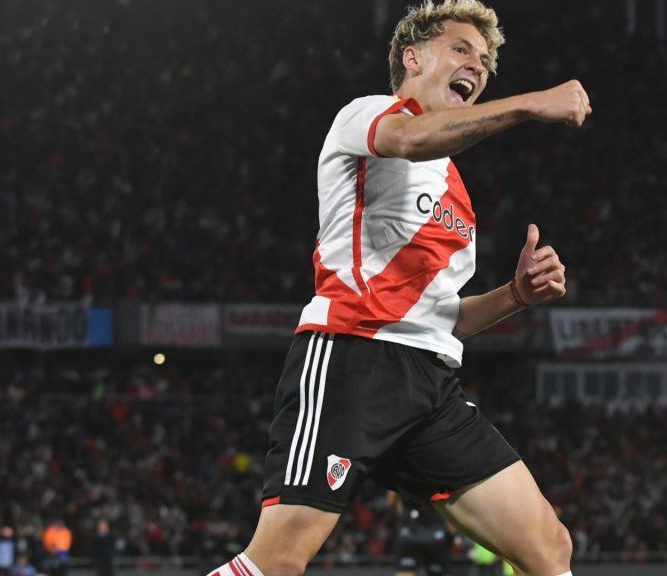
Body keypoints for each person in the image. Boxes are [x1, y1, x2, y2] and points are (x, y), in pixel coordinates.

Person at [206, 1, 590, 575]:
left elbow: (445, 316)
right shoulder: (368, 115)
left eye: (484, 61)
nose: (477, 66)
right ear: (412, 58)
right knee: (278, 561)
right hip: (353, 357)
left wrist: (515, 295)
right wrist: (529, 103)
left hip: (431, 383)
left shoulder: (456, 190)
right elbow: (411, 140)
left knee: (549, 547)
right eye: (461, 49)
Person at [389, 490, 455, 576]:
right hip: (436, 535)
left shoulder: (405, 481)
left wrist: (402, 518)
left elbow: (391, 501)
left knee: (405, 572)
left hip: (410, 533)